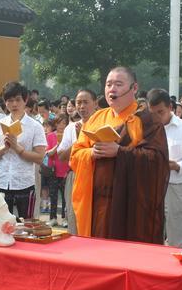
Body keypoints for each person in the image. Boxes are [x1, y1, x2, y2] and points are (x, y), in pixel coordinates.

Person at [70, 66, 169, 243]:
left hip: (131, 204)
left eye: (118, 84)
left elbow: (157, 160)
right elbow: (75, 154)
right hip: (98, 202)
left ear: (134, 88)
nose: (112, 89)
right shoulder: (96, 118)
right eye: (108, 84)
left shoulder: (146, 119)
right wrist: (92, 153)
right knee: (99, 253)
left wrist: (120, 152)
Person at [149, 89, 182, 248]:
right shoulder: (146, 128)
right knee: (151, 230)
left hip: (176, 184)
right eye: (153, 113)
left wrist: (177, 165)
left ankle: (175, 267)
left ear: (170, 107)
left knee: (176, 232)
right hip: (151, 185)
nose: (157, 117)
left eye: (161, 112)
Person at [0, 82, 47, 219]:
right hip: (2, 182)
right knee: (2, 225)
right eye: (10, 100)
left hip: (24, 183)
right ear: (5, 102)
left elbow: (39, 157)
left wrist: (17, 148)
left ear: (25, 100)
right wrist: (4, 148)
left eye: (18, 100)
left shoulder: (35, 126)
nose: (14, 104)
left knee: (26, 225)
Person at [58, 89, 98, 234]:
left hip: (96, 176)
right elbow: (61, 156)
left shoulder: (102, 125)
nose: (81, 106)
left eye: (85, 102)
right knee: (74, 216)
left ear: (95, 103)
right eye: (78, 103)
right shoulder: (70, 128)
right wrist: (78, 139)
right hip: (75, 176)